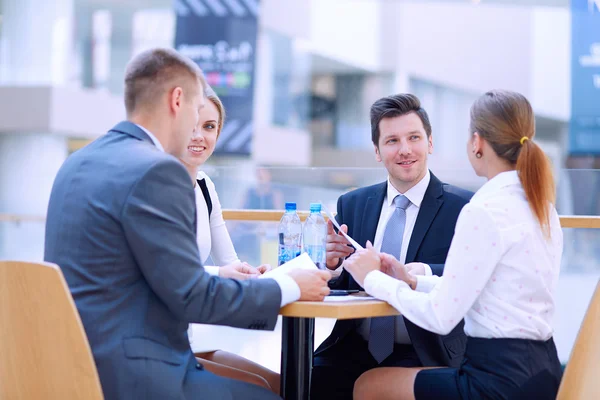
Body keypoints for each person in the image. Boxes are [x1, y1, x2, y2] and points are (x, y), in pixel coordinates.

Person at [44, 48, 331, 400]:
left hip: (70, 365)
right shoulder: (157, 170)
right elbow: (193, 297)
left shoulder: (77, 162)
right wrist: (290, 286)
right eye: (197, 111)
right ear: (177, 100)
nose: (197, 130)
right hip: (137, 376)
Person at [346, 90, 563, 400]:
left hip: (495, 380)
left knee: (369, 385)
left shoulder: (483, 210)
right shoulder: (542, 206)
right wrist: (414, 280)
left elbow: (440, 316)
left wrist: (372, 278)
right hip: (543, 372)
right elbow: (485, 288)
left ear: (477, 143)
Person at [311, 94, 473, 400]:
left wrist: (418, 274)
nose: (405, 150)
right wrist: (332, 265)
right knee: (307, 381)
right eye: (392, 141)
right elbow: (347, 286)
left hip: (426, 349)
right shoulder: (353, 203)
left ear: (430, 143)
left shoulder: (463, 207)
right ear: (377, 150)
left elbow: (467, 278)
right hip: (354, 347)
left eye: (414, 138)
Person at [176, 86, 280, 393]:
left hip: (187, 338)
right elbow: (166, 272)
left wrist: (249, 273)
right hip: (159, 345)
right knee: (262, 387)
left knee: (277, 383)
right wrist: (223, 274)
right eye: (192, 126)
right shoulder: (155, 184)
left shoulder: (205, 186)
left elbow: (229, 262)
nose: (199, 136)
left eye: (209, 127)